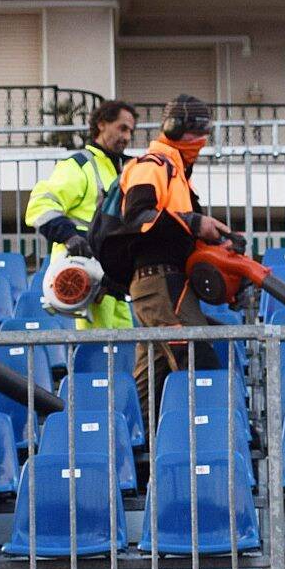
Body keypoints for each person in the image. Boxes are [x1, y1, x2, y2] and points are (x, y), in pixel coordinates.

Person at [99, 94, 232, 432]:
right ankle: (211, 444)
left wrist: (215, 240)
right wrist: (194, 222)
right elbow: (140, 216)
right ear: (174, 129)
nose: (201, 142)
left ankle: (143, 455)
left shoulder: (177, 175)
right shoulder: (153, 164)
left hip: (163, 283)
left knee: (153, 380)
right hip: (160, 282)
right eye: (195, 133)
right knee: (199, 361)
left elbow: (178, 227)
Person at [24, 99, 137, 331]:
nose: (127, 137)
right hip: (83, 278)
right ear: (102, 124)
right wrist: (69, 236)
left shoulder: (127, 171)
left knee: (123, 354)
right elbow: (41, 204)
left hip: (113, 284)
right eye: (122, 128)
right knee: (96, 355)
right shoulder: (79, 165)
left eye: (131, 132)